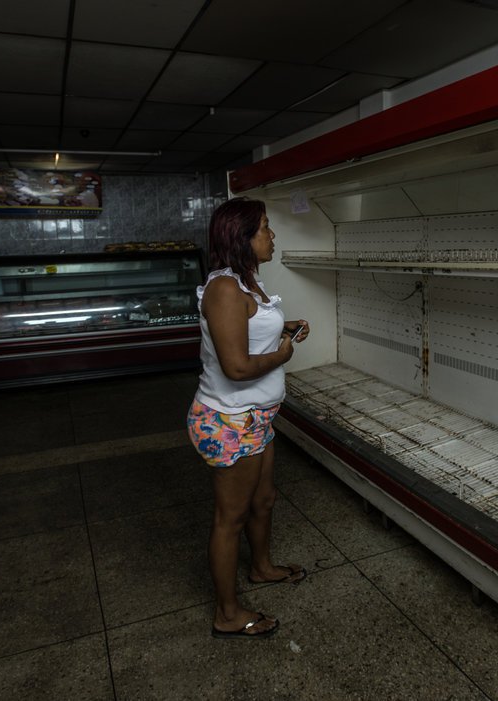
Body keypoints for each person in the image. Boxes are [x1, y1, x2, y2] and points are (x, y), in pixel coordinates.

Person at [186, 196, 310, 639]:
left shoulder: (247, 283)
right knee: (231, 517)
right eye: (264, 228)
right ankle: (227, 613)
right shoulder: (223, 289)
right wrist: (283, 353)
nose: (272, 235)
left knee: (265, 499)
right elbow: (236, 367)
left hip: (255, 417)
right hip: (229, 421)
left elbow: (247, 328)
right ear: (241, 237)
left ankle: (260, 567)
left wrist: (280, 326)